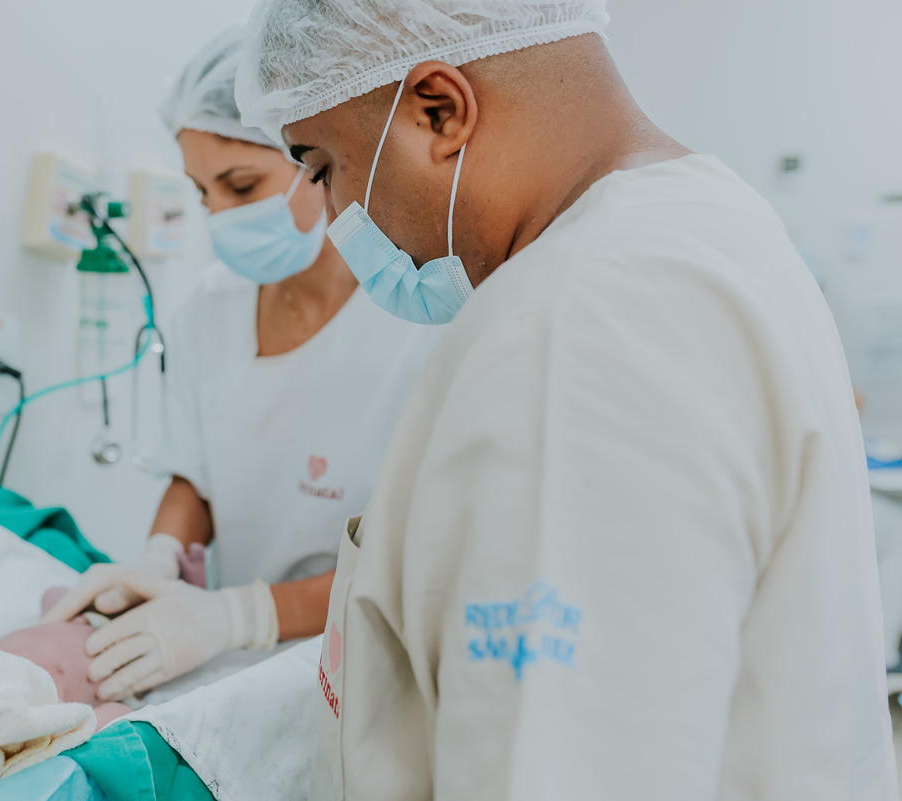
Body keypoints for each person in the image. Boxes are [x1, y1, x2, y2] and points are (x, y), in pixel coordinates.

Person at [231, 1, 897, 798]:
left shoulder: (572, 323)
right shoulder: (713, 223)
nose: (335, 215)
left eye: (322, 165)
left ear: (438, 111)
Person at [43, 28, 444, 704]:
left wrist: (240, 613)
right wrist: (158, 558)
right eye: (203, 193)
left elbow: (412, 565)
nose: (220, 218)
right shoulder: (209, 310)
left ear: (316, 160)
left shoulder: (418, 318)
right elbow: (195, 475)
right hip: (231, 663)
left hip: (368, 660)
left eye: (240, 184)